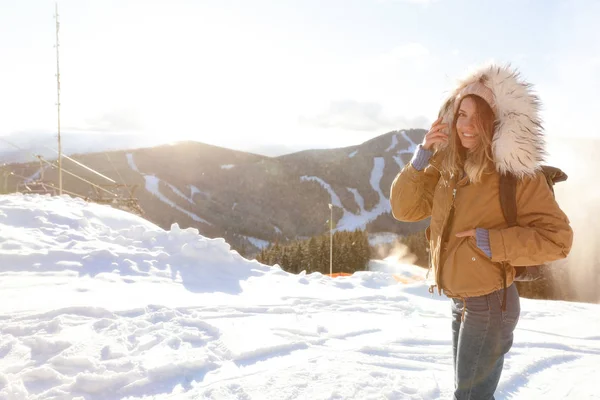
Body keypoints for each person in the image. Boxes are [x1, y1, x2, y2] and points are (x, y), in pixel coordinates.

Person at [390, 63, 573, 399]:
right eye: (461, 114)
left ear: (499, 121)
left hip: (490, 303)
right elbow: (405, 209)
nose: (468, 125)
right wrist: (423, 157)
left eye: (480, 116)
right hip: (461, 301)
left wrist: (491, 242)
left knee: (471, 396)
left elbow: (558, 240)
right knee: (469, 393)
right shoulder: (449, 166)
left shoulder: (517, 175)